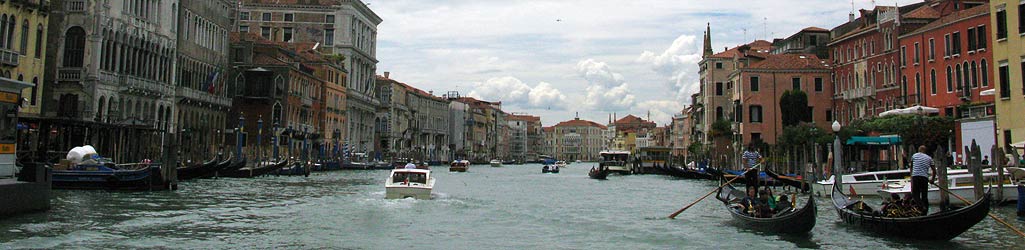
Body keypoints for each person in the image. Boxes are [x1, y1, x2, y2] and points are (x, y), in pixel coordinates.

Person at [911, 145, 936, 212]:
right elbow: (934, 170)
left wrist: (912, 177)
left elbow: (912, 167)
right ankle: (925, 211)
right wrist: (932, 180)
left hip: (915, 176)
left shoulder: (914, 156)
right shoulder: (929, 158)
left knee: (915, 194)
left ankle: (921, 207)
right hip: (924, 178)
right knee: (924, 195)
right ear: (925, 151)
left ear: (919, 150)